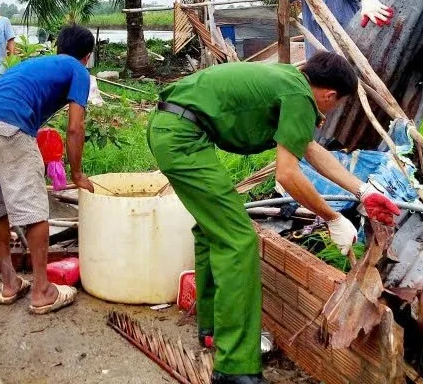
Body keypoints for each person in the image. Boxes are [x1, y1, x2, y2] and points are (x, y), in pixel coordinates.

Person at [147, 52, 400, 384]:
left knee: (214, 229)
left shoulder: (290, 80)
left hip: (175, 129)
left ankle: (212, 330)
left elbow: (308, 148)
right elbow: (288, 175)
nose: (330, 112)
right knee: (239, 240)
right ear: (329, 95)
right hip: (183, 138)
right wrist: (332, 218)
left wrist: (363, 191)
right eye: (337, 105)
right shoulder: (299, 95)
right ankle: (235, 368)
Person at [0, 25, 96, 315]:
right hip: (11, 128)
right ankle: (42, 291)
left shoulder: (34, 64)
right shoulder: (78, 70)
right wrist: (76, 175)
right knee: (35, 210)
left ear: (58, 47)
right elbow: (75, 128)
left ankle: (10, 283)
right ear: (86, 57)